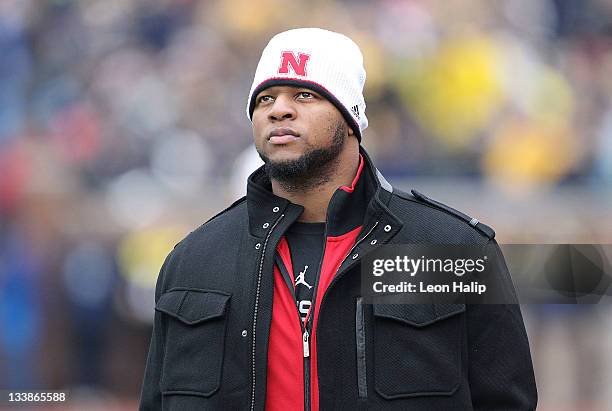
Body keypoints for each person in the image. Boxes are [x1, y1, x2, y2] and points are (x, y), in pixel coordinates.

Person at [139, 28, 537, 410]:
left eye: (304, 94)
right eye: (264, 99)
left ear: (351, 119)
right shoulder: (194, 261)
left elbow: (506, 400)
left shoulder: (449, 248)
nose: (279, 109)